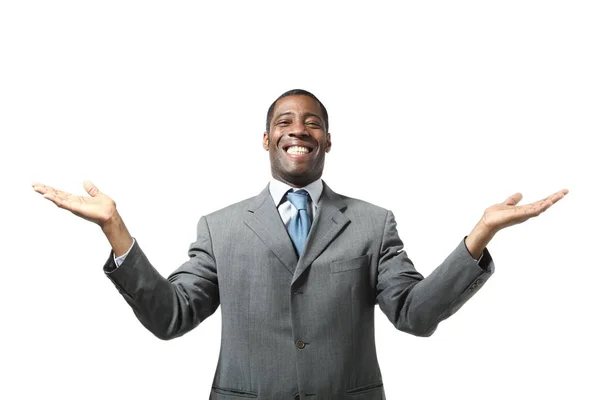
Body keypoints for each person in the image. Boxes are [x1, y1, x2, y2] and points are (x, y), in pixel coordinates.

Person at [32, 89, 568, 400]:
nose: (299, 129)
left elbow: (414, 314)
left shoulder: (372, 223)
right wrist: (116, 231)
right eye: (284, 122)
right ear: (266, 139)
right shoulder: (220, 227)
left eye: (313, 122)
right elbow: (171, 317)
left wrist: (480, 236)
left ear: (328, 140)